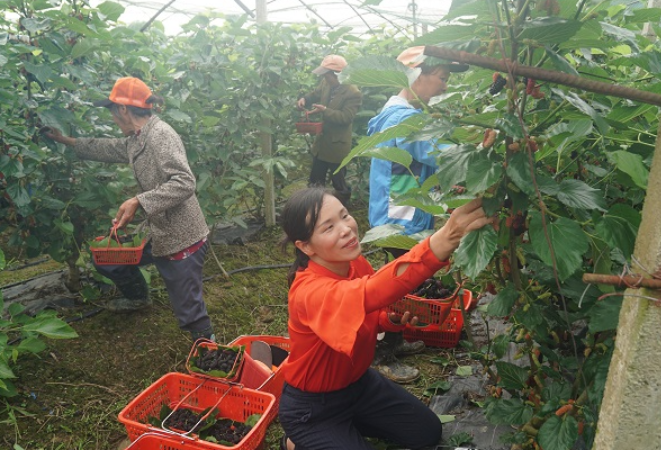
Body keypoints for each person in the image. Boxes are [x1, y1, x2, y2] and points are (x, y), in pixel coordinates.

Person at [278, 186, 492, 450]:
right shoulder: (309, 292)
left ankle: (344, 431)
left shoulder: (354, 265)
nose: (345, 229)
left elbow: (370, 309)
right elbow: (373, 290)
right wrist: (443, 239)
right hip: (312, 409)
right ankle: (296, 442)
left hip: (359, 386)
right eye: (328, 227)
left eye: (344, 216)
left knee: (426, 432)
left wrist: (391, 319)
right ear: (305, 246)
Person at [42, 77, 214, 341]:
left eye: (111, 110)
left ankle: (208, 354)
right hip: (158, 229)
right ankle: (138, 299)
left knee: (188, 308)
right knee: (110, 261)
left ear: (122, 108)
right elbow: (107, 147)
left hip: (182, 235)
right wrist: (64, 140)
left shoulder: (161, 134)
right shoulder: (137, 138)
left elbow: (184, 182)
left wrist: (139, 201)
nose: (112, 117)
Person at [367, 46, 469, 383]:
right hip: (401, 217)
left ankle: (394, 339)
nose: (443, 86)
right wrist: (477, 151)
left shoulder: (395, 113)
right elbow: (442, 156)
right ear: (416, 75)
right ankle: (381, 352)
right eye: (441, 78)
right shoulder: (406, 119)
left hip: (396, 212)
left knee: (400, 280)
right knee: (397, 285)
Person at [296, 55, 362, 206]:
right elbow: (315, 94)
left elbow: (346, 117)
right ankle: (315, 209)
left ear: (336, 75)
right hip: (322, 143)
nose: (324, 78)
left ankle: (343, 211)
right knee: (315, 181)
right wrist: (305, 99)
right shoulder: (326, 83)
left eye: (326, 75)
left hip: (337, 146)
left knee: (339, 183)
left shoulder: (353, 92)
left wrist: (324, 110)